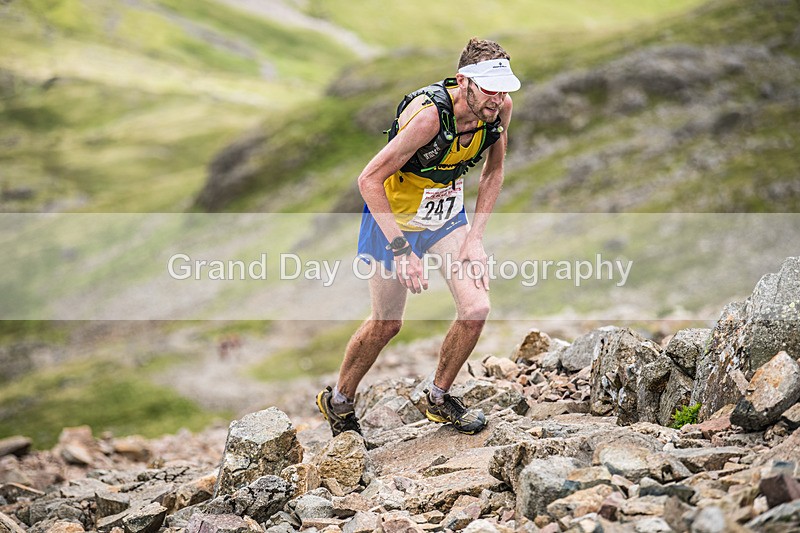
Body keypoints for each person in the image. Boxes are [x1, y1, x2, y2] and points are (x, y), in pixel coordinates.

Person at [317, 38, 520, 437]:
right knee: (387, 323)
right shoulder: (428, 118)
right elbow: (369, 179)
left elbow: (493, 171)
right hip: (392, 219)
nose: (498, 99)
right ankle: (339, 401)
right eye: (490, 88)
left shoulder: (500, 110)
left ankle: (439, 398)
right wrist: (402, 249)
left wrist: (475, 237)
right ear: (464, 82)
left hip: (445, 215)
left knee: (476, 308)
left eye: (505, 89)